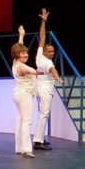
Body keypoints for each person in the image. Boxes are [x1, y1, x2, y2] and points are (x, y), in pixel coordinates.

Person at [33, 9, 64, 151]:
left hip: (41, 89)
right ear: (45, 52)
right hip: (45, 90)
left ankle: (41, 138)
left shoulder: (39, 55)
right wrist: (57, 77)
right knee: (44, 114)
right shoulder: (46, 62)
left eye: (53, 51)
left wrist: (43, 22)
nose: (52, 53)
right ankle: (38, 141)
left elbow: (42, 37)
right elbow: (53, 70)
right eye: (49, 51)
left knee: (43, 114)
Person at [12, 25, 44, 158]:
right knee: (27, 121)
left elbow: (19, 47)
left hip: (19, 94)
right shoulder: (21, 66)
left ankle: (19, 147)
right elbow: (27, 70)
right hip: (24, 95)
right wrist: (35, 71)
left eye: (26, 53)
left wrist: (21, 36)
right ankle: (26, 149)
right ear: (17, 55)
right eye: (22, 53)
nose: (25, 54)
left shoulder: (15, 62)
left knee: (20, 120)